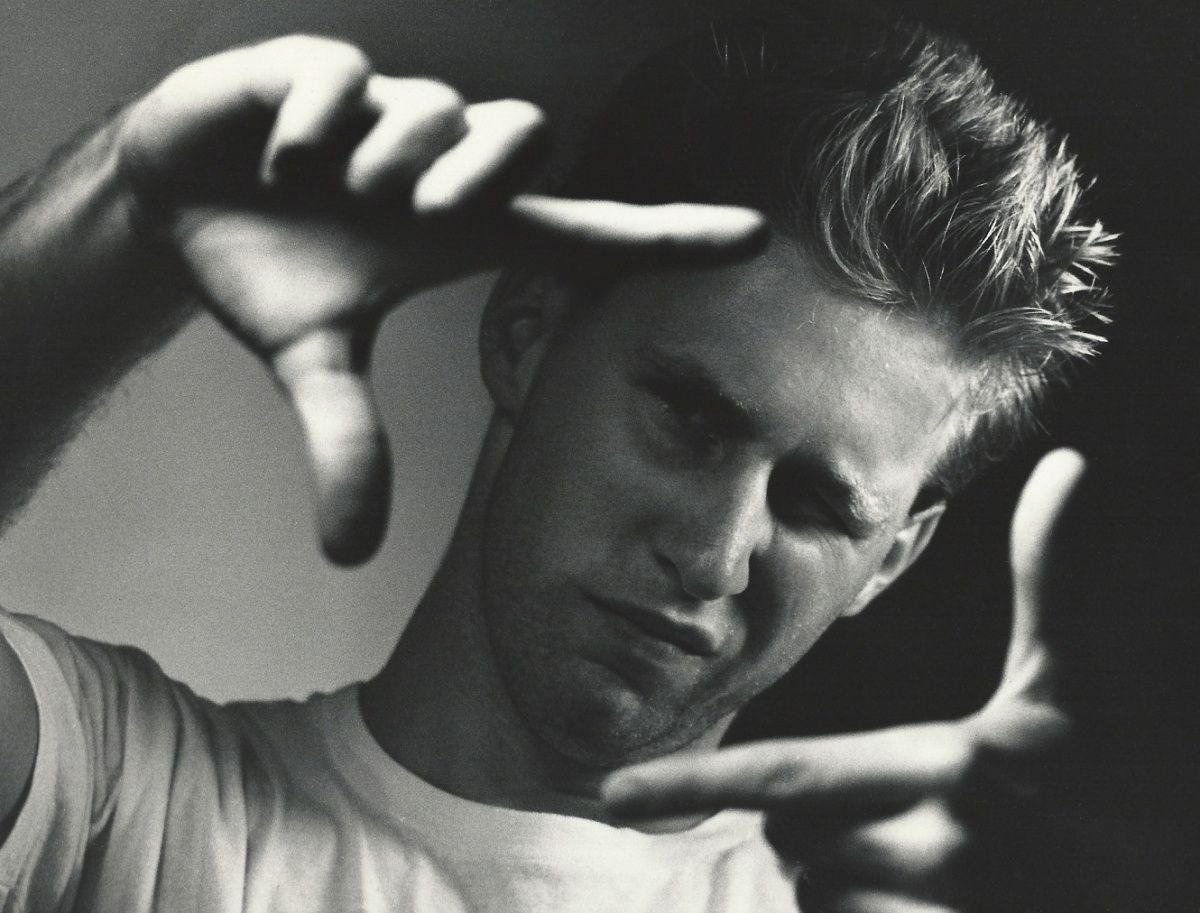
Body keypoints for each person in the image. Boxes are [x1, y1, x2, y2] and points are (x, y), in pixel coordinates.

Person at [0, 5, 1129, 912]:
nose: (714, 552)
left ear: (893, 558)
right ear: (525, 334)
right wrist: (126, 203)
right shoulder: (118, 800)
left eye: (818, 504)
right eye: (691, 418)